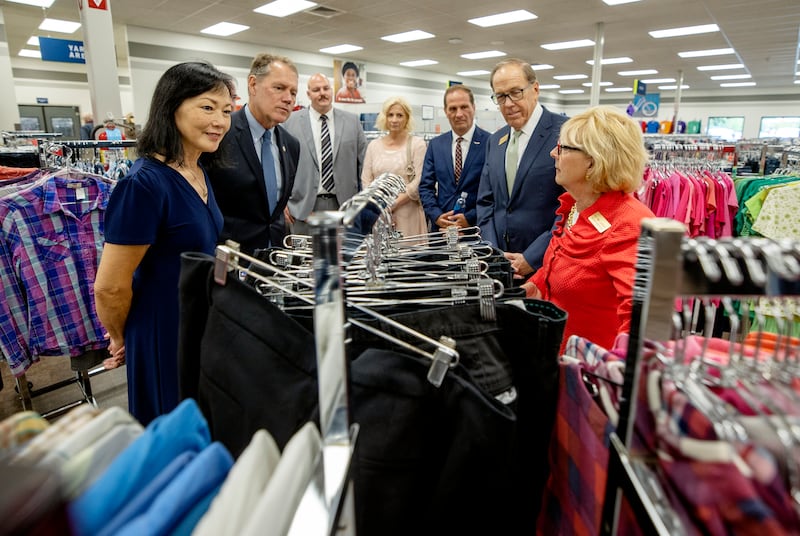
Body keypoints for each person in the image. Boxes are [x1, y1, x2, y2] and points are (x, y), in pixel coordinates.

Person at [93, 61, 235, 425]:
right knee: (172, 427)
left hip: (197, 323)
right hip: (163, 329)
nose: (220, 121)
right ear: (171, 107)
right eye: (207, 107)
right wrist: (121, 337)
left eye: (226, 111)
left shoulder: (197, 171)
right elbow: (109, 287)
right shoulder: (143, 184)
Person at [521, 105, 655, 352]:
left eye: (562, 148)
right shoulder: (576, 206)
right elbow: (556, 268)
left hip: (589, 367)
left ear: (594, 160)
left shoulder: (630, 224)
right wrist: (528, 291)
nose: (553, 153)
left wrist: (612, 368)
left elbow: (639, 321)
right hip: (554, 352)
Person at [476, 58, 567, 279]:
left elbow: (574, 207)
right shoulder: (495, 141)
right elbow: (486, 202)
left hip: (547, 266)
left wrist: (533, 258)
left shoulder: (565, 133)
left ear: (535, 89)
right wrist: (493, 252)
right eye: (500, 96)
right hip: (500, 266)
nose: (508, 104)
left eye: (516, 92)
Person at [206, 53, 300, 253]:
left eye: (293, 92)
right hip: (230, 258)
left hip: (274, 257)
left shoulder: (291, 145)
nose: (288, 99)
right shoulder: (220, 134)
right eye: (279, 88)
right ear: (253, 84)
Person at [283, 73, 367, 235]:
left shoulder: (352, 122)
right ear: (308, 94)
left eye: (326, 88)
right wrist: (283, 202)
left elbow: (363, 165)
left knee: (343, 251)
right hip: (303, 207)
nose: (322, 93)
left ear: (332, 90)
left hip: (345, 206)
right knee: (305, 251)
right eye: (316, 90)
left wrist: (364, 203)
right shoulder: (289, 122)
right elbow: (281, 166)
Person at [419, 85, 489, 231]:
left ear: (473, 107)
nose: (459, 114)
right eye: (452, 109)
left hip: (477, 229)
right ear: (445, 111)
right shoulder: (436, 145)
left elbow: (495, 191)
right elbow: (426, 187)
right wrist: (437, 216)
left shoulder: (490, 143)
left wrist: (470, 218)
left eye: (464, 107)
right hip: (441, 229)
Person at [361, 96, 427, 243]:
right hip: (380, 215)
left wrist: (393, 204)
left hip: (408, 213)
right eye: (390, 115)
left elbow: (420, 180)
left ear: (407, 118)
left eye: (399, 115)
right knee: (382, 254)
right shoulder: (373, 146)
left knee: (410, 255)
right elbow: (366, 180)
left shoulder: (417, 145)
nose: (394, 120)